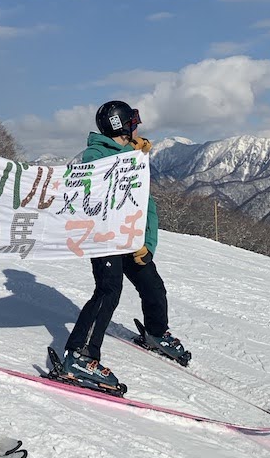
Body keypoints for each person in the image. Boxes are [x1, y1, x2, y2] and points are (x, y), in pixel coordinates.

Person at [58, 101, 190, 392]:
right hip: (105, 238)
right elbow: (85, 188)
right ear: (123, 125)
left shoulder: (132, 156)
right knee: (108, 291)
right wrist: (129, 154)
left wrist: (147, 244)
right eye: (133, 121)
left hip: (131, 238)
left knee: (152, 284)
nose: (137, 126)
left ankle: (156, 333)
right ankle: (79, 355)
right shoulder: (97, 156)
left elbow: (145, 204)